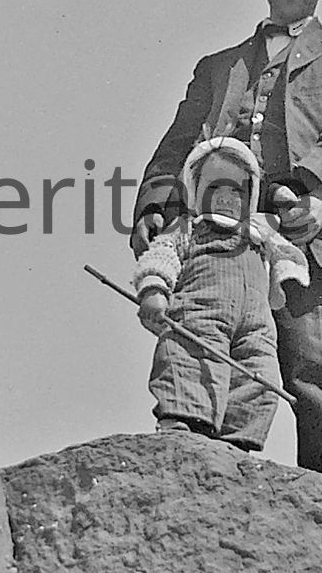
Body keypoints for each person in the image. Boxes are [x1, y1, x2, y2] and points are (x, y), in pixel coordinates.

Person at [131, 0, 322, 491]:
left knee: (321, 386)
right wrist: (155, 205)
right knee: (199, 364)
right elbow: (176, 148)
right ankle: (202, 499)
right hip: (216, 251)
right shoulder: (217, 68)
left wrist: (315, 195)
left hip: (307, 250)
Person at [129, 137, 309, 453]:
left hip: (255, 327)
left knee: (258, 373)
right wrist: (154, 290)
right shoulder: (187, 228)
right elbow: (162, 255)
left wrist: (287, 277)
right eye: (215, 189)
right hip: (200, 314)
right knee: (190, 358)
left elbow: (287, 255)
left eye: (236, 191)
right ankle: (183, 423)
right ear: (197, 192)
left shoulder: (261, 232)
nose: (226, 198)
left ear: (250, 195)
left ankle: (237, 442)